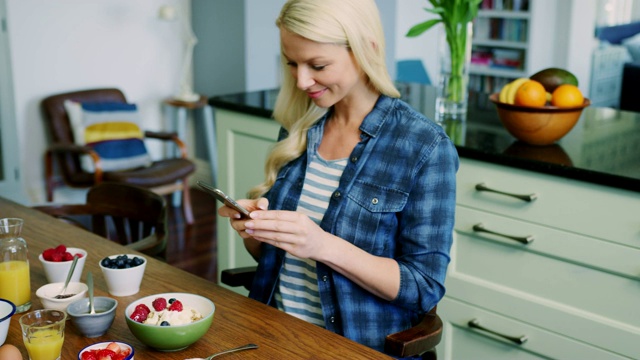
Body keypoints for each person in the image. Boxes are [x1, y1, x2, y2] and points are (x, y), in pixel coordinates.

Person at [218, 0, 458, 356]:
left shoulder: (423, 146)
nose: (301, 81)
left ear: (366, 50)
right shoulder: (301, 125)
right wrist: (255, 229)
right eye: (292, 64)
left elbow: (423, 287)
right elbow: (273, 261)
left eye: (318, 65)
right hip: (270, 337)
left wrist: (323, 245)